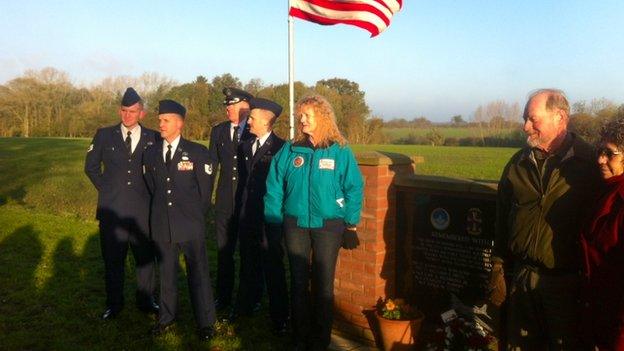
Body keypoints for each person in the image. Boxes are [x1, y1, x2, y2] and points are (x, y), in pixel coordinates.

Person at [492, 89, 599, 350]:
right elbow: (501, 218)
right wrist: (497, 267)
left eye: (533, 119)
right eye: (524, 119)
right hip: (521, 278)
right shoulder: (517, 163)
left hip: (568, 287)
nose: (525, 126)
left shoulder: (591, 164)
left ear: (560, 117)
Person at [265, 94, 363, 351]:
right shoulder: (290, 149)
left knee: (323, 284)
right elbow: (274, 186)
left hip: (328, 226)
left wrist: (351, 224)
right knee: (298, 282)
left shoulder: (339, 150)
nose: (302, 120)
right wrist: (274, 220)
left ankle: (320, 339)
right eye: (300, 116)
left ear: (323, 118)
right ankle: (299, 336)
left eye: (308, 115)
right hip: (294, 223)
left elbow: (354, 187)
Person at [143, 99, 216, 341]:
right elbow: (154, 187)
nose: (160, 124)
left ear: (179, 123)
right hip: (162, 224)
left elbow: (204, 195)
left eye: (165, 120)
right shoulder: (151, 153)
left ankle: (205, 323)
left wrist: (193, 218)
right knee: (166, 275)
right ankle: (167, 318)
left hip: (190, 224)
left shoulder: (197, 152)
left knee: (199, 274)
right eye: (160, 120)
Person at [84, 87, 159, 320]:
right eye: (124, 111)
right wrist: (106, 189)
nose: (127, 116)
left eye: (133, 111)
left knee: (145, 260)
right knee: (113, 261)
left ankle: (146, 301)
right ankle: (114, 304)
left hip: (142, 212)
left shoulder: (153, 138)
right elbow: (91, 167)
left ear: (142, 113)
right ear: (120, 111)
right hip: (112, 212)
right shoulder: (104, 135)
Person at [234, 97, 288, 335]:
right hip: (248, 215)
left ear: (266, 121)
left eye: (253, 118)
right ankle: (246, 304)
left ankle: (279, 316)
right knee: (247, 263)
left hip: (269, 218)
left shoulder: (282, 148)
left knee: (273, 267)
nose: (249, 122)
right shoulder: (246, 145)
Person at [208, 87, 256, 311]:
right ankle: (223, 296)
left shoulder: (255, 131)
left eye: (231, 105)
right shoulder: (217, 132)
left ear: (244, 105)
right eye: (226, 105)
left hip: (247, 204)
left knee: (249, 253)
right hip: (225, 203)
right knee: (224, 252)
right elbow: (211, 168)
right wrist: (205, 201)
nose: (227, 108)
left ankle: (249, 298)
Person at [580, 118, 624, 350]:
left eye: (610, 153)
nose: (600, 159)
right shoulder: (604, 190)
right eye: (600, 151)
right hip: (595, 318)